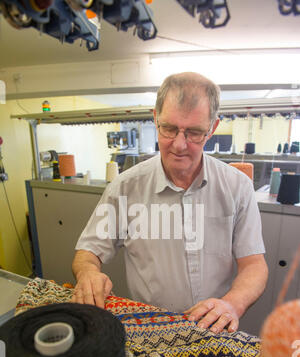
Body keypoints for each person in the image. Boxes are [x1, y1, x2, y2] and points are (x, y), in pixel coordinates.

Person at [72, 72, 268, 334]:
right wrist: (87, 273)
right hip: (149, 327)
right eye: (169, 128)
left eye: (195, 132)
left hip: (213, 327)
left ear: (213, 128)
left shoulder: (236, 187)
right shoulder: (126, 188)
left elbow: (254, 264)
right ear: (155, 118)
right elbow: (88, 253)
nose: (179, 144)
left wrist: (232, 304)